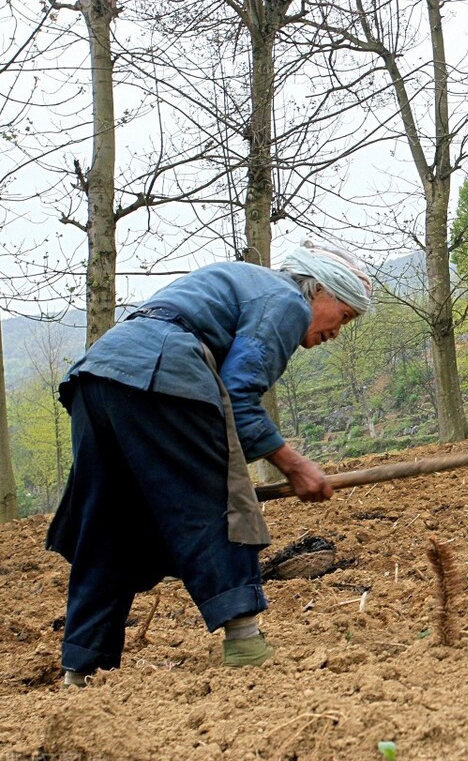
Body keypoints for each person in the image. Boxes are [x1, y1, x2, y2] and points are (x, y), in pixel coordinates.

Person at [47, 241, 372, 687]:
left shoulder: (250, 285)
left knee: (108, 523)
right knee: (220, 500)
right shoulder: (287, 300)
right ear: (320, 291)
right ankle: (245, 643)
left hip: (97, 377)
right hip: (163, 371)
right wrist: (294, 465)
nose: (338, 332)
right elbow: (238, 396)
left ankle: (78, 667)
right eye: (345, 316)